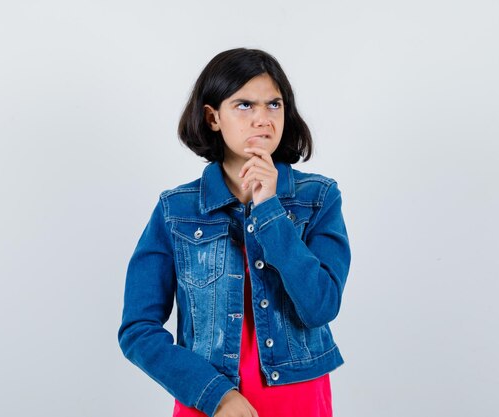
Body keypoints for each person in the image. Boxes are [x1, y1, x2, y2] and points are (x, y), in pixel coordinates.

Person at [118, 48, 351, 417]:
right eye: (245, 105)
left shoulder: (319, 198)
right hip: (208, 403)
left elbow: (320, 306)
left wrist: (270, 210)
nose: (263, 119)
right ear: (212, 117)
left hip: (298, 399)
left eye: (274, 105)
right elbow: (137, 329)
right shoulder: (176, 210)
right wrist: (215, 395)